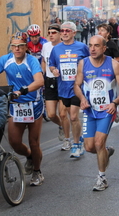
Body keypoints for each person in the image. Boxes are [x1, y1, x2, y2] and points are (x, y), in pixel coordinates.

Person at [74, 35, 119, 191]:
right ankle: (106, 152)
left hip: (107, 111)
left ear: (104, 48)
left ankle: (102, 178)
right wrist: (82, 98)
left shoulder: (113, 65)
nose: (92, 48)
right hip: (90, 111)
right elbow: (77, 85)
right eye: (90, 45)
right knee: (89, 148)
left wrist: (114, 103)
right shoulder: (83, 64)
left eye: (96, 45)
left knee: (99, 143)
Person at [0, 34, 45, 186]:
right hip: (15, 105)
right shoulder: (5, 60)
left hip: (33, 104)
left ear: (26, 46)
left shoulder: (32, 61)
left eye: (20, 45)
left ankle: (37, 171)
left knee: (34, 143)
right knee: (14, 142)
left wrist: (22, 91)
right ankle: (29, 156)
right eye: (14, 46)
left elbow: (40, 81)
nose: (17, 49)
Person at [49, 21, 89, 157]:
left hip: (77, 87)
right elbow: (52, 65)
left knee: (73, 116)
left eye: (67, 31)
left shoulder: (82, 47)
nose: (64, 33)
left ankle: (77, 145)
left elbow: (90, 62)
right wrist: (54, 70)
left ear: (74, 32)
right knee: (65, 115)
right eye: (62, 31)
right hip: (63, 87)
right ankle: (73, 138)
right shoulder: (56, 49)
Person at [41, 24, 68, 141]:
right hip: (49, 81)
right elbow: (43, 61)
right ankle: (61, 126)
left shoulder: (65, 46)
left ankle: (67, 140)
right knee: (51, 114)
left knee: (62, 114)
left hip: (63, 82)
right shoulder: (45, 46)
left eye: (54, 32)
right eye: (49, 32)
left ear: (60, 34)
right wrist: (42, 75)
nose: (51, 35)